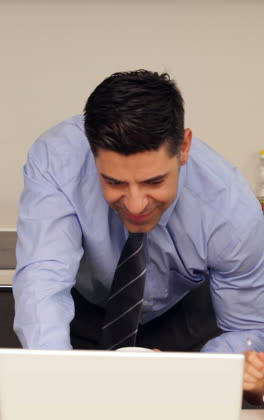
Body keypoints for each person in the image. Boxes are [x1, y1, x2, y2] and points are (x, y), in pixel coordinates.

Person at [13, 70, 264, 398]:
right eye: (114, 182)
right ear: (92, 153)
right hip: (85, 313)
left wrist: (196, 373)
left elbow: (246, 327)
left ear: (184, 148)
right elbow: (42, 288)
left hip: (182, 323)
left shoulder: (231, 209)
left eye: (154, 182)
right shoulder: (56, 162)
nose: (135, 204)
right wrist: (57, 382)